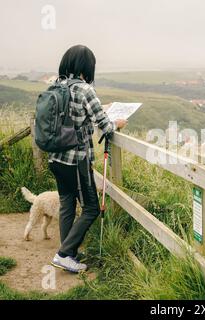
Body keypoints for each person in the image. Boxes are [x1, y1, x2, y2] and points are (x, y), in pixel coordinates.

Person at [48, 45, 127, 273]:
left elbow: (73, 115)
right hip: (77, 161)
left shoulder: (57, 85)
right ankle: (63, 254)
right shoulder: (85, 90)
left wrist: (103, 107)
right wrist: (117, 124)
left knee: (67, 204)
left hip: (56, 158)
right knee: (92, 207)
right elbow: (106, 127)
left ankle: (68, 252)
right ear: (87, 66)